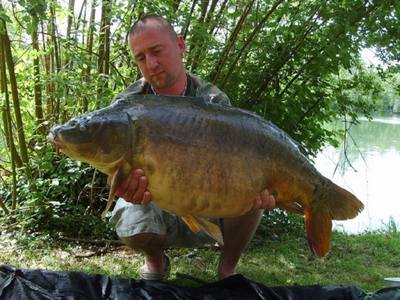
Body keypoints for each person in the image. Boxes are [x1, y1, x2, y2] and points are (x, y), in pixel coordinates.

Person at [110, 14, 276, 281]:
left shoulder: (212, 101)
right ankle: (155, 262)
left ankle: (227, 268)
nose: (150, 64)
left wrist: (258, 188)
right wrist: (123, 184)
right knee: (131, 220)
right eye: (141, 58)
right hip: (157, 200)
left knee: (252, 192)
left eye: (156, 51)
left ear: (180, 45)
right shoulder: (128, 105)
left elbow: (237, 165)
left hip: (211, 201)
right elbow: (115, 165)